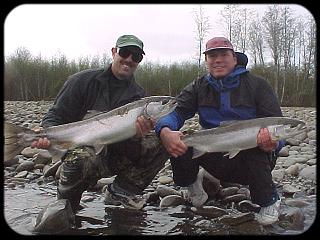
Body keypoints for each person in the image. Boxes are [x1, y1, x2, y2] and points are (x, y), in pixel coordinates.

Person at [155, 37, 285, 225]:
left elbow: (277, 124)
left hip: (251, 157)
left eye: (224, 55)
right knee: (178, 141)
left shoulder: (258, 85)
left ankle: (269, 200)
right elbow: (177, 112)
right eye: (212, 56)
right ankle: (193, 185)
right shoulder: (198, 86)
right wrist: (165, 129)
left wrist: (274, 143)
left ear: (235, 58)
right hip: (215, 153)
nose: (218, 60)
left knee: (258, 145)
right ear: (207, 61)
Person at [31, 34, 169, 212]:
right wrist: (46, 133)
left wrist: (136, 135)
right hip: (81, 149)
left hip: (114, 153)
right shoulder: (81, 81)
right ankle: (66, 204)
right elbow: (56, 115)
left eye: (136, 56)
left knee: (163, 140)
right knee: (79, 159)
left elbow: (130, 144)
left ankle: (121, 191)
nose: (129, 59)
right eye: (125, 52)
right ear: (114, 52)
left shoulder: (138, 94)